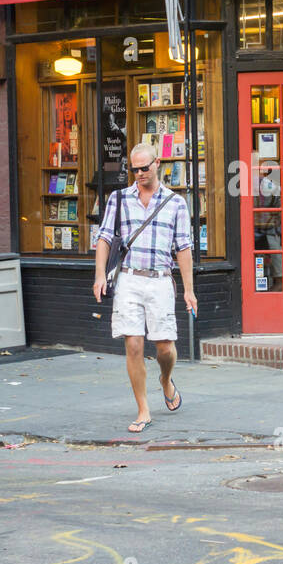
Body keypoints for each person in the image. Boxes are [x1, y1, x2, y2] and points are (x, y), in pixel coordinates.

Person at [93, 143, 197, 433]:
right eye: (134, 169)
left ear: (157, 163)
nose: (139, 173)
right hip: (128, 278)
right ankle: (143, 409)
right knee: (134, 344)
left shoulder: (176, 203)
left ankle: (165, 379)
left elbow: (184, 248)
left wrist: (189, 290)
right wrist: (100, 275)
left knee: (165, 347)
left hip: (161, 279)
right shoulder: (119, 199)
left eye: (144, 167)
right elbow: (103, 238)